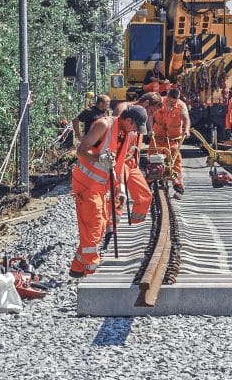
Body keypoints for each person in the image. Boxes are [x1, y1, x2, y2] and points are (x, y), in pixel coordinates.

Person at [70, 106, 147, 278]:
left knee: (100, 223)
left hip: (103, 185)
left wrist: (119, 189)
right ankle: (90, 270)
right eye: (135, 126)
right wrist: (100, 158)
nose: (136, 131)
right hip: (87, 183)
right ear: (128, 121)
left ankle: (77, 267)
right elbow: (81, 151)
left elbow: (118, 164)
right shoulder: (103, 125)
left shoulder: (127, 134)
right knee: (94, 225)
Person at [112, 93, 162, 224]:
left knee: (145, 196)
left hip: (132, 161)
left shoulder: (141, 115)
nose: (151, 114)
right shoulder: (124, 110)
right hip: (121, 161)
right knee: (118, 195)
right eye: (151, 110)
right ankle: (111, 225)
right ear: (146, 103)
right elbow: (114, 135)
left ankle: (135, 223)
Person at [150, 89, 190, 195]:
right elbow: (150, 116)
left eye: (175, 101)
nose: (173, 103)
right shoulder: (159, 102)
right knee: (152, 157)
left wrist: (186, 130)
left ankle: (178, 184)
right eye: (171, 101)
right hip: (158, 136)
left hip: (173, 138)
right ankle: (149, 180)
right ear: (167, 97)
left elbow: (186, 119)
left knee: (175, 159)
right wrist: (149, 129)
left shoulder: (181, 106)